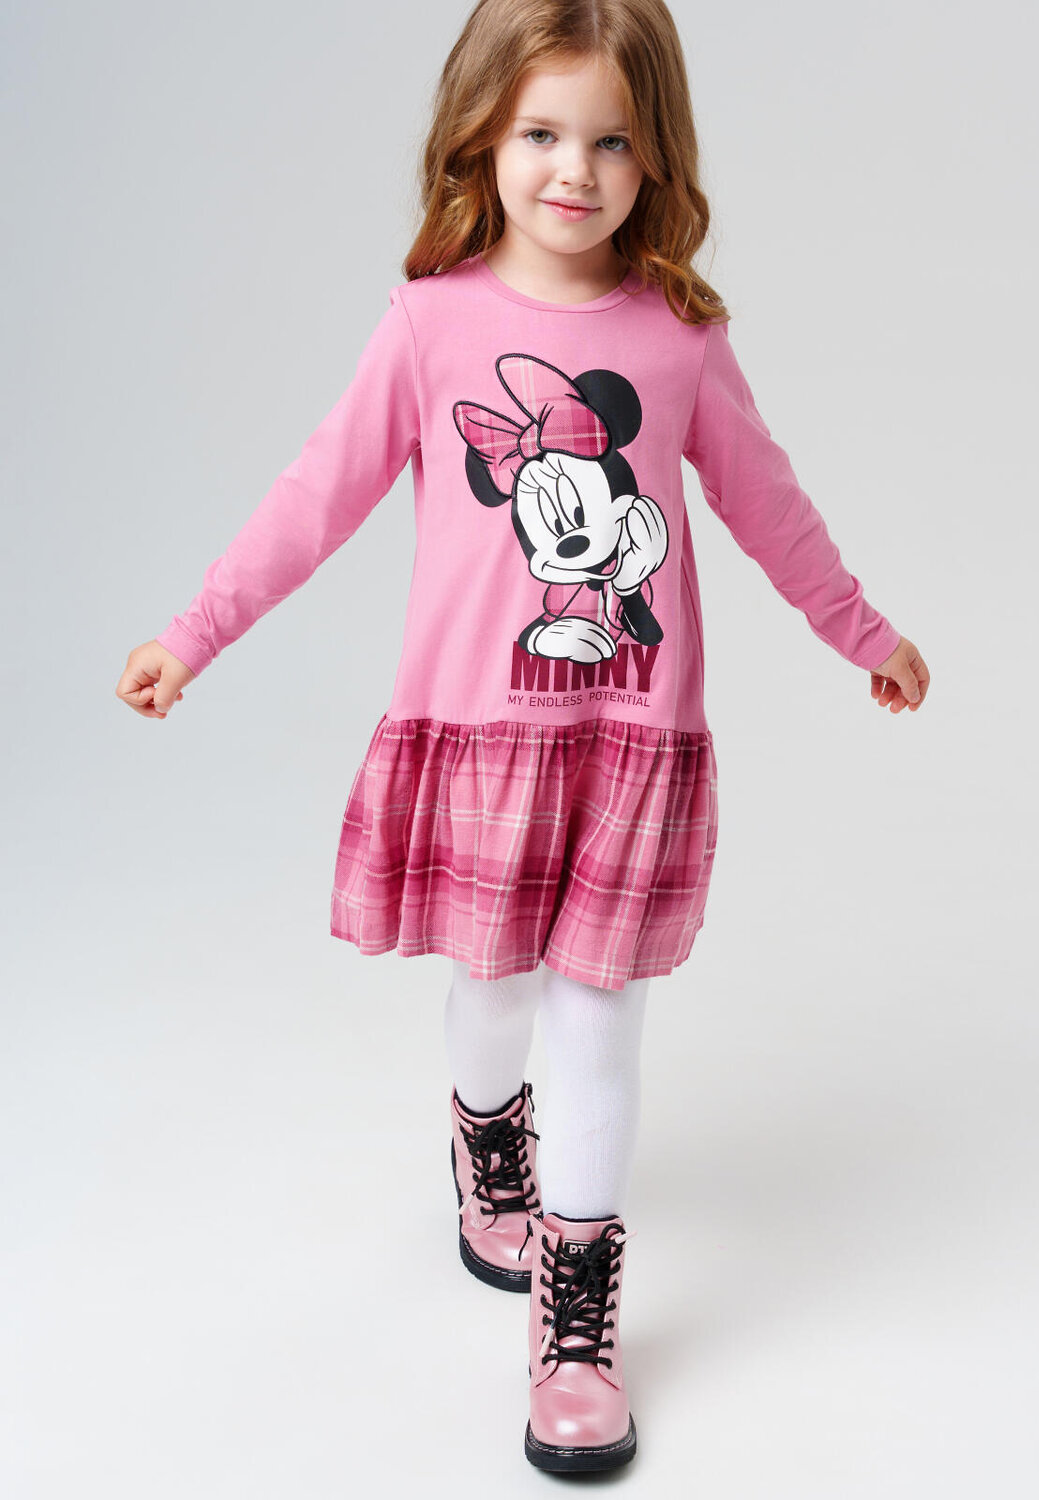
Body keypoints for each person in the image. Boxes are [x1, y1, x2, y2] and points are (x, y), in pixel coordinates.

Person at [116, 0, 930, 1474]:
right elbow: (316, 495)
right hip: (481, 737)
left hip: (629, 735)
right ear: (481, 137)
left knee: (598, 1013)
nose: (576, 170)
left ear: (655, 154)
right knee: (493, 992)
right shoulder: (429, 324)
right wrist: (196, 631)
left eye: (613, 141)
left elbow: (769, 503)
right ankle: (486, 1130)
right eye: (543, 133)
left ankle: (575, 1324)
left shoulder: (678, 336)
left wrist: (860, 630)